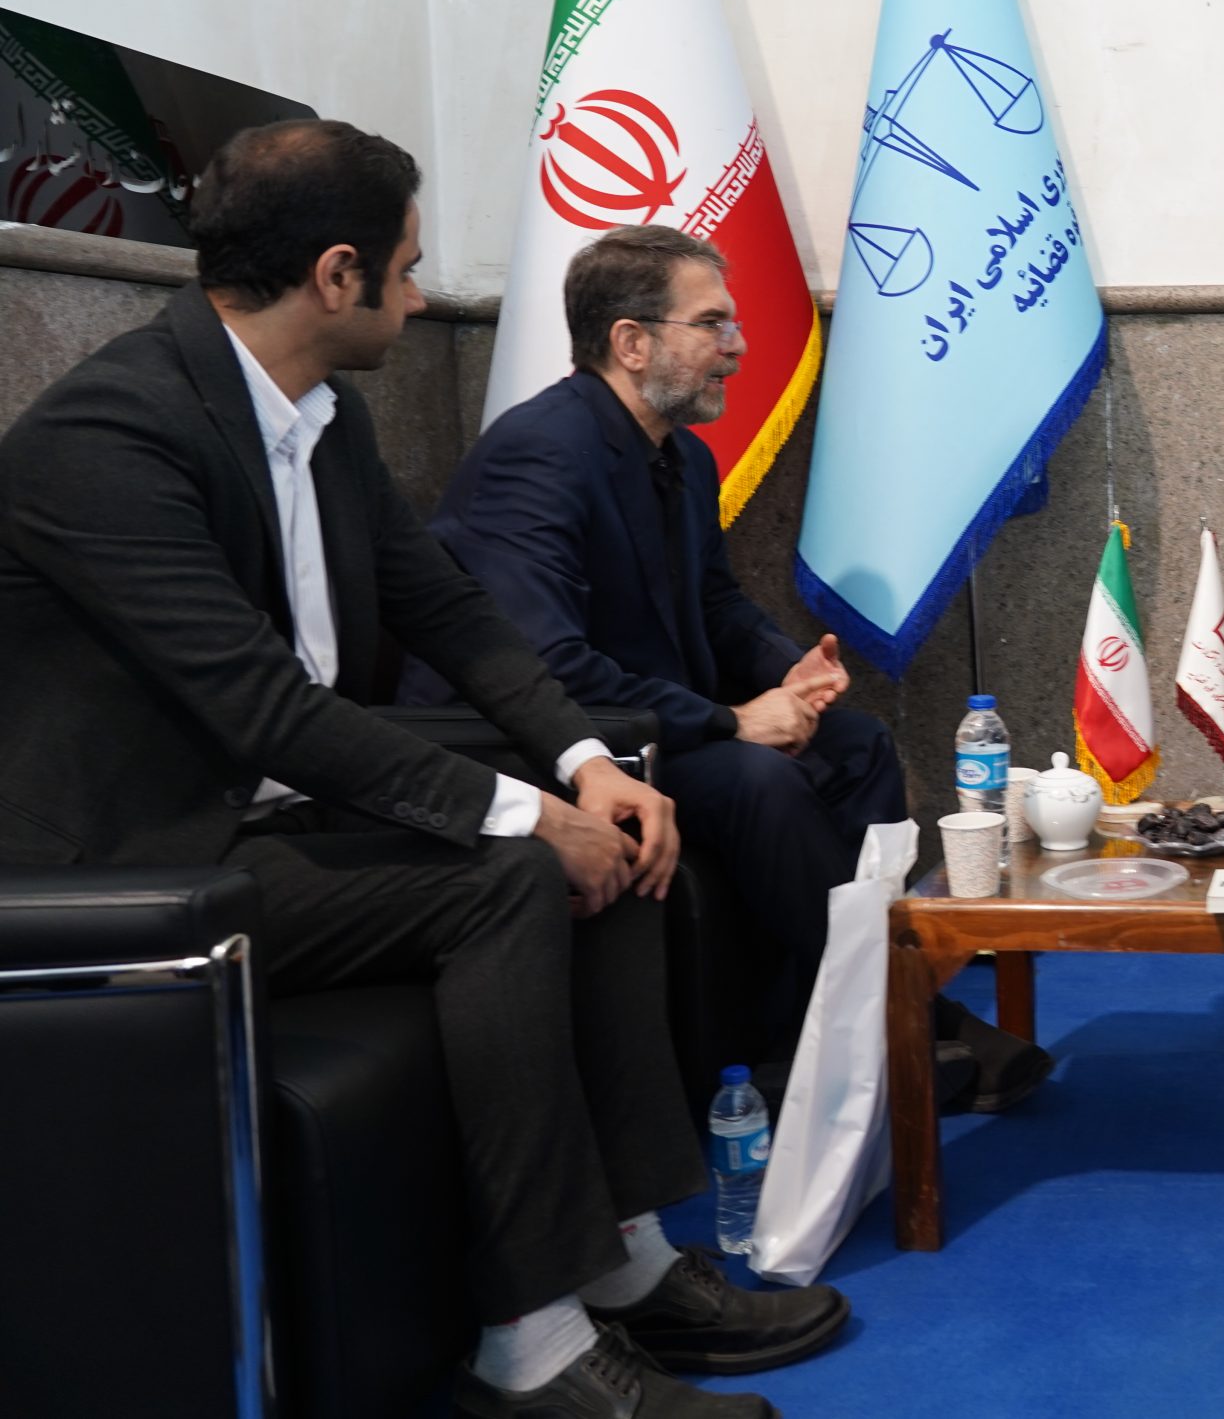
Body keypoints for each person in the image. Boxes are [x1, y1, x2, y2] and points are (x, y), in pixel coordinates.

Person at [0, 121, 849, 1418]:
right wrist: (528, 813)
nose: (415, 297)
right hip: (137, 860)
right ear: (334, 275)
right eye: (403, 270)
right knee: (513, 874)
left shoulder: (321, 414)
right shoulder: (112, 433)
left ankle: (621, 1255)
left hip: (266, 814)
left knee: (611, 831)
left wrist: (582, 762)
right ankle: (531, 1344)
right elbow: (262, 707)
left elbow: (449, 606)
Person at [412, 224, 1049, 1113]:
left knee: (857, 744)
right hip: (555, 744)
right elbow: (545, 663)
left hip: (651, 723)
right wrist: (731, 720)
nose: (738, 346)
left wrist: (791, 669)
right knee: (758, 780)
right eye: (712, 324)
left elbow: (716, 604)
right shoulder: (539, 451)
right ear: (631, 342)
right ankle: (907, 1017)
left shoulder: (684, 455)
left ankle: (825, 1027)